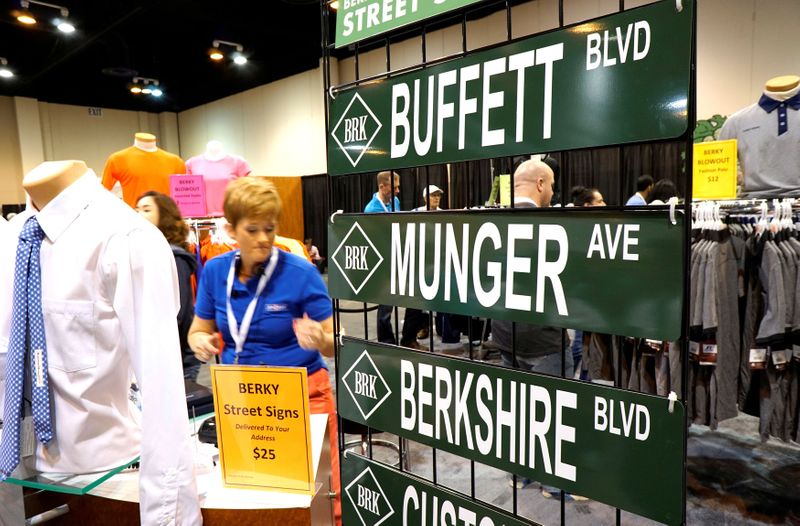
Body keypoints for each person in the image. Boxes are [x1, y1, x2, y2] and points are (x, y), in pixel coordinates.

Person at [0, 160, 200, 524]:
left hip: (102, 481)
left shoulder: (125, 239)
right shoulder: (12, 240)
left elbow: (162, 393)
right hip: (14, 483)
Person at [187, 176, 340, 524]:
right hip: (241, 402)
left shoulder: (300, 271)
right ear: (231, 229)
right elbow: (199, 329)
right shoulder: (214, 272)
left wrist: (321, 338)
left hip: (303, 398)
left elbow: (336, 343)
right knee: (251, 496)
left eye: (269, 229)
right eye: (252, 229)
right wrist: (199, 342)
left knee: (319, 500)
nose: (263, 239)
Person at [492, 160, 576, 497]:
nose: (553, 192)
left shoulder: (492, 222)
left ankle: (520, 472)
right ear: (540, 183)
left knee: (514, 406)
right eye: (552, 185)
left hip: (503, 332)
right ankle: (553, 483)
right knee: (554, 410)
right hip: (543, 336)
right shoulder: (555, 225)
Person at [136, 191, 202, 381]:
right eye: (137, 209)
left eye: (146, 210)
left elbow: (177, 311)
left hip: (176, 358)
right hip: (153, 356)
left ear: (163, 216)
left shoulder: (173, 257)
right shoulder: (143, 255)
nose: (139, 214)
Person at [364, 171, 406, 345]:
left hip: (396, 258)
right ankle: (386, 342)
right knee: (385, 306)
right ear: (382, 186)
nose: (397, 191)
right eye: (394, 187)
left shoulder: (395, 202)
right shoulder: (371, 209)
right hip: (382, 263)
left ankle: (408, 337)